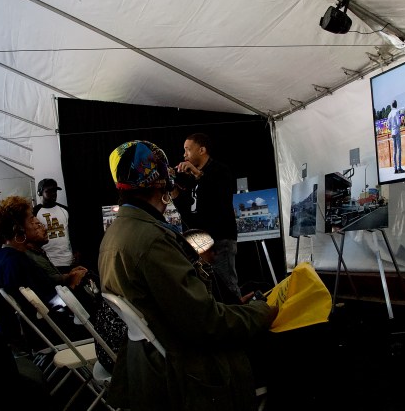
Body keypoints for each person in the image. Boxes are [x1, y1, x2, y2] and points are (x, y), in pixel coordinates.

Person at [99, 140, 277, 411]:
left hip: (149, 366)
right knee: (287, 346)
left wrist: (234, 307)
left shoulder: (116, 234)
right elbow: (207, 324)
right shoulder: (151, 240)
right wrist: (260, 311)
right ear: (161, 182)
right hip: (187, 368)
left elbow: (176, 306)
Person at [0, 196, 90, 351]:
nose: (36, 223)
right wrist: (72, 286)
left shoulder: (2, 257)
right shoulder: (17, 263)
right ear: (19, 229)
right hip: (51, 335)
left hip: (36, 332)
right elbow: (48, 304)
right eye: (30, 219)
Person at [172, 132, 241, 300]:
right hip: (201, 244)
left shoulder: (220, 171)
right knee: (208, 289)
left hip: (219, 241)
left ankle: (241, 319)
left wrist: (198, 174)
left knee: (227, 286)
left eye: (187, 150)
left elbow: (221, 197)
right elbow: (187, 209)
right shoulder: (190, 177)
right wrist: (173, 188)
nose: (184, 155)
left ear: (201, 150)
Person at [33, 178, 79, 274]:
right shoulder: (34, 212)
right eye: (49, 191)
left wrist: (76, 251)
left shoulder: (65, 210)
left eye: (55, 190)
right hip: (46, 263)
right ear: (40, 193)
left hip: (67, 260)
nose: (53, 193)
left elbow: (73, 232)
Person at [387, 100, 405, 174]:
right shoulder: (396, 112)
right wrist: (401, 121)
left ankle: (395, 168)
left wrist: (392, 128)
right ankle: (399, 168)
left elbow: (388, 127)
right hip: (397, 132)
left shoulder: (389, 114)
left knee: (394, 151)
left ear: (392, 105)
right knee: (399, 150)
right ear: (396, 105)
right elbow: (398, 123)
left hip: (392, 133)